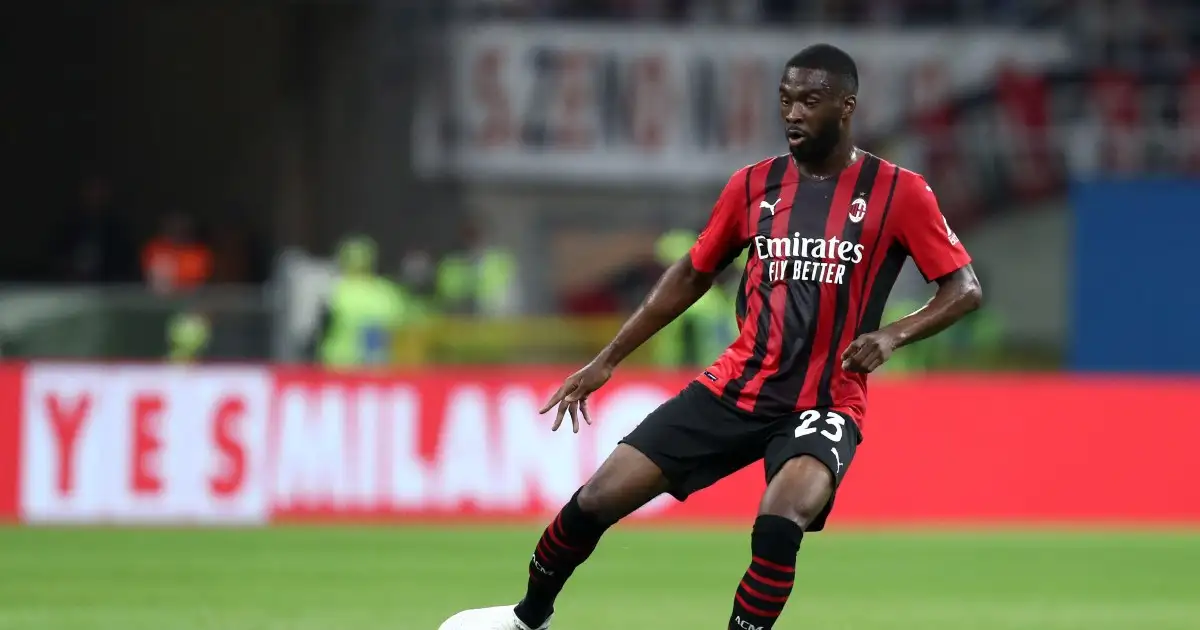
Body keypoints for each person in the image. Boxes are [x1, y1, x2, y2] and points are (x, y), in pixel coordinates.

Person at [441, 44, 983, 630]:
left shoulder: (899, 192)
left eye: (809, 101)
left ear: (846, 107)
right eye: (785, 99)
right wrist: (607, 360)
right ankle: (527, 619)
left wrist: (893, 336)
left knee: (780, 520)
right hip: (737, 387)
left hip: (825, 400)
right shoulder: (754, 186)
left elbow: (964, 288)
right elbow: (692, 273)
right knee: (597, 498)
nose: (793, 113)